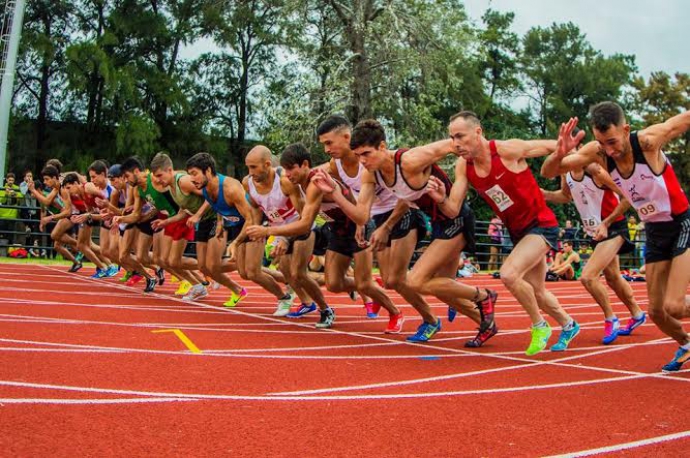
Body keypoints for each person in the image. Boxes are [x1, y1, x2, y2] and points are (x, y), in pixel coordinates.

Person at [541, 102, 690, 372]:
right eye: (601, 143)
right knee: (657, 312)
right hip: (655, 230)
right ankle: (686, 343)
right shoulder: (598, 152)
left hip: (681, 223)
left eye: (612, 141)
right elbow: (549, 172)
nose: (609, 150)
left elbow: (683, 119)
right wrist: (558, 153)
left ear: (626, 129)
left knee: (675, 305)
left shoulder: (647, 141)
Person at [328, 119, 497, 345]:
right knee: (444, 289)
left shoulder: (410, 160)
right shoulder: (370, 173)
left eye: (366, 154)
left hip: (455, 218)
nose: (362, 161)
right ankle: (487, 322)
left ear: (382, 147)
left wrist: (482, 167)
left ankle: (485, 296)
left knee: (417, 281)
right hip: (438, 224)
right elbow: (361, 215)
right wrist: (336, 194)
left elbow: (452, 145)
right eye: (358, 155)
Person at [437, 110, 580, 355]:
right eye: (452, 138)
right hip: (518, 232)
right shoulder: (464, 166)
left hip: (541, 224)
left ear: (478, 132)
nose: (456, 144)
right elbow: (451, 209)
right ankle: (569, 324)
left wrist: (565, 150)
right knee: (537, 291)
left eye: (460, 136)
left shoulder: (506, 150)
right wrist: (439, 198)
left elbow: (550, 146)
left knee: (509, 274)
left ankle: (540, 326)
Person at [313, 115, 408, 330]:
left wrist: (360, 222)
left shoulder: (368, 161)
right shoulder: (334, 164)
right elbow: (348, 194)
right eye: (324, 144)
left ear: (346, 137)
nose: (326, 149)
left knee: (376, 280)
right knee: (333, 283)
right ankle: (373, 289)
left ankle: (395, 312)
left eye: (329, 143)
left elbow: (366, 199)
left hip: (381, 215)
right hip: (354, 218)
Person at [542, 148, 645, 344]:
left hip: (613, 227)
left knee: (588, 277)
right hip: (595, 233)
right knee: (613, 278)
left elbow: (626, 197)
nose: (569, 157)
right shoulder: (567, 173)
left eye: (572, 152)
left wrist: (606, 223)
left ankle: (611, 318)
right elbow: (565, 196)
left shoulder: (595, 170)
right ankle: (637, 313)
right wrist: (543, 194)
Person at [243, 145, 325, 317]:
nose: (250, 172)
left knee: (299, 273)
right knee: (287, 271)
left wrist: (285, 239)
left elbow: (304, 217)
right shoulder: (247, 183)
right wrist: (257, 230)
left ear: (267, 164)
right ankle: (307, 303)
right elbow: (257, 208)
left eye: (253, 167)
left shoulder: (284, 182)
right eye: (248, 167)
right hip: (278, 228)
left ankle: (327, 307)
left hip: (299, 225)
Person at [185, 152, 252, 307]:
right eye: (190, 175)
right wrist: (221, 221)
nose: (191, 179)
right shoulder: (205, 187)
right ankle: (239, 289)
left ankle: (284, 288)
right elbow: (218, 203)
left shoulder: (231, 187)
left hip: (249, 223)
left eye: (194, 174)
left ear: (207, 170)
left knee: (250, 271)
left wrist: (235, 242)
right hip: (232, 222)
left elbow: (250, 217)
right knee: (205, 267)